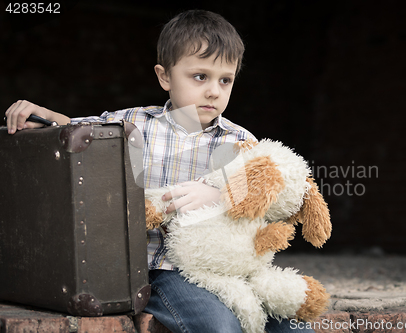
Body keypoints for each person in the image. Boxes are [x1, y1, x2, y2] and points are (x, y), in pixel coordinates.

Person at [5, 10, 315, 333]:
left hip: (231, 269)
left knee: (295, 326)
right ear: (165, 76)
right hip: (164, 270)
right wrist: (43, 115)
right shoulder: (136, 126)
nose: (214, 91)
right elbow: (80, 129)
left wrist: (219, 195)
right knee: (220, 326)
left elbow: (265, 198)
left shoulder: (241, 142)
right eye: (200, 77)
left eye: (225, 80)